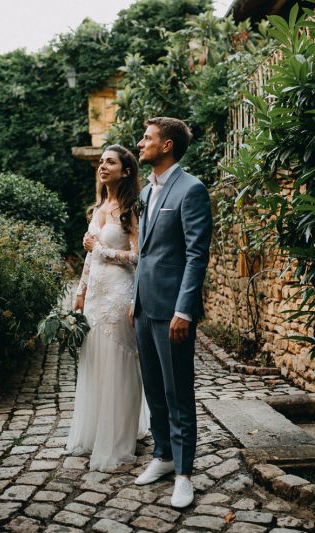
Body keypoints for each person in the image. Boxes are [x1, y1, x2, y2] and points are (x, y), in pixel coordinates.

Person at [129, 117, 212, 508]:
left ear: (167, 146)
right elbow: (145, 252)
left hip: (173, 310)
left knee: (178, 391)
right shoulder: (147, 191)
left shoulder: (191, 189)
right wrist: (135, 301)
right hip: (144, 306)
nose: (140, 143)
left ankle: (183, 473)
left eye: (147, 138)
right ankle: (161, 456)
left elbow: (196, 256)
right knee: (154, 389)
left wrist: (185, 309)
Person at [66, 145, 150, 472]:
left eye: (110, 162)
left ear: (125, 171)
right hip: (96, 296)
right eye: (101, 161)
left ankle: (118, 438)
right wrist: (79, 292)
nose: (103, 166)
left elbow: (139, 256)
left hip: (119, 294)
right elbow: (89, 257)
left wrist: (100, 249)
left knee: (118, 362)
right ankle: (93, 431)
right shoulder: (99, 206)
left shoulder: (131, 209)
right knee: (95, 361)